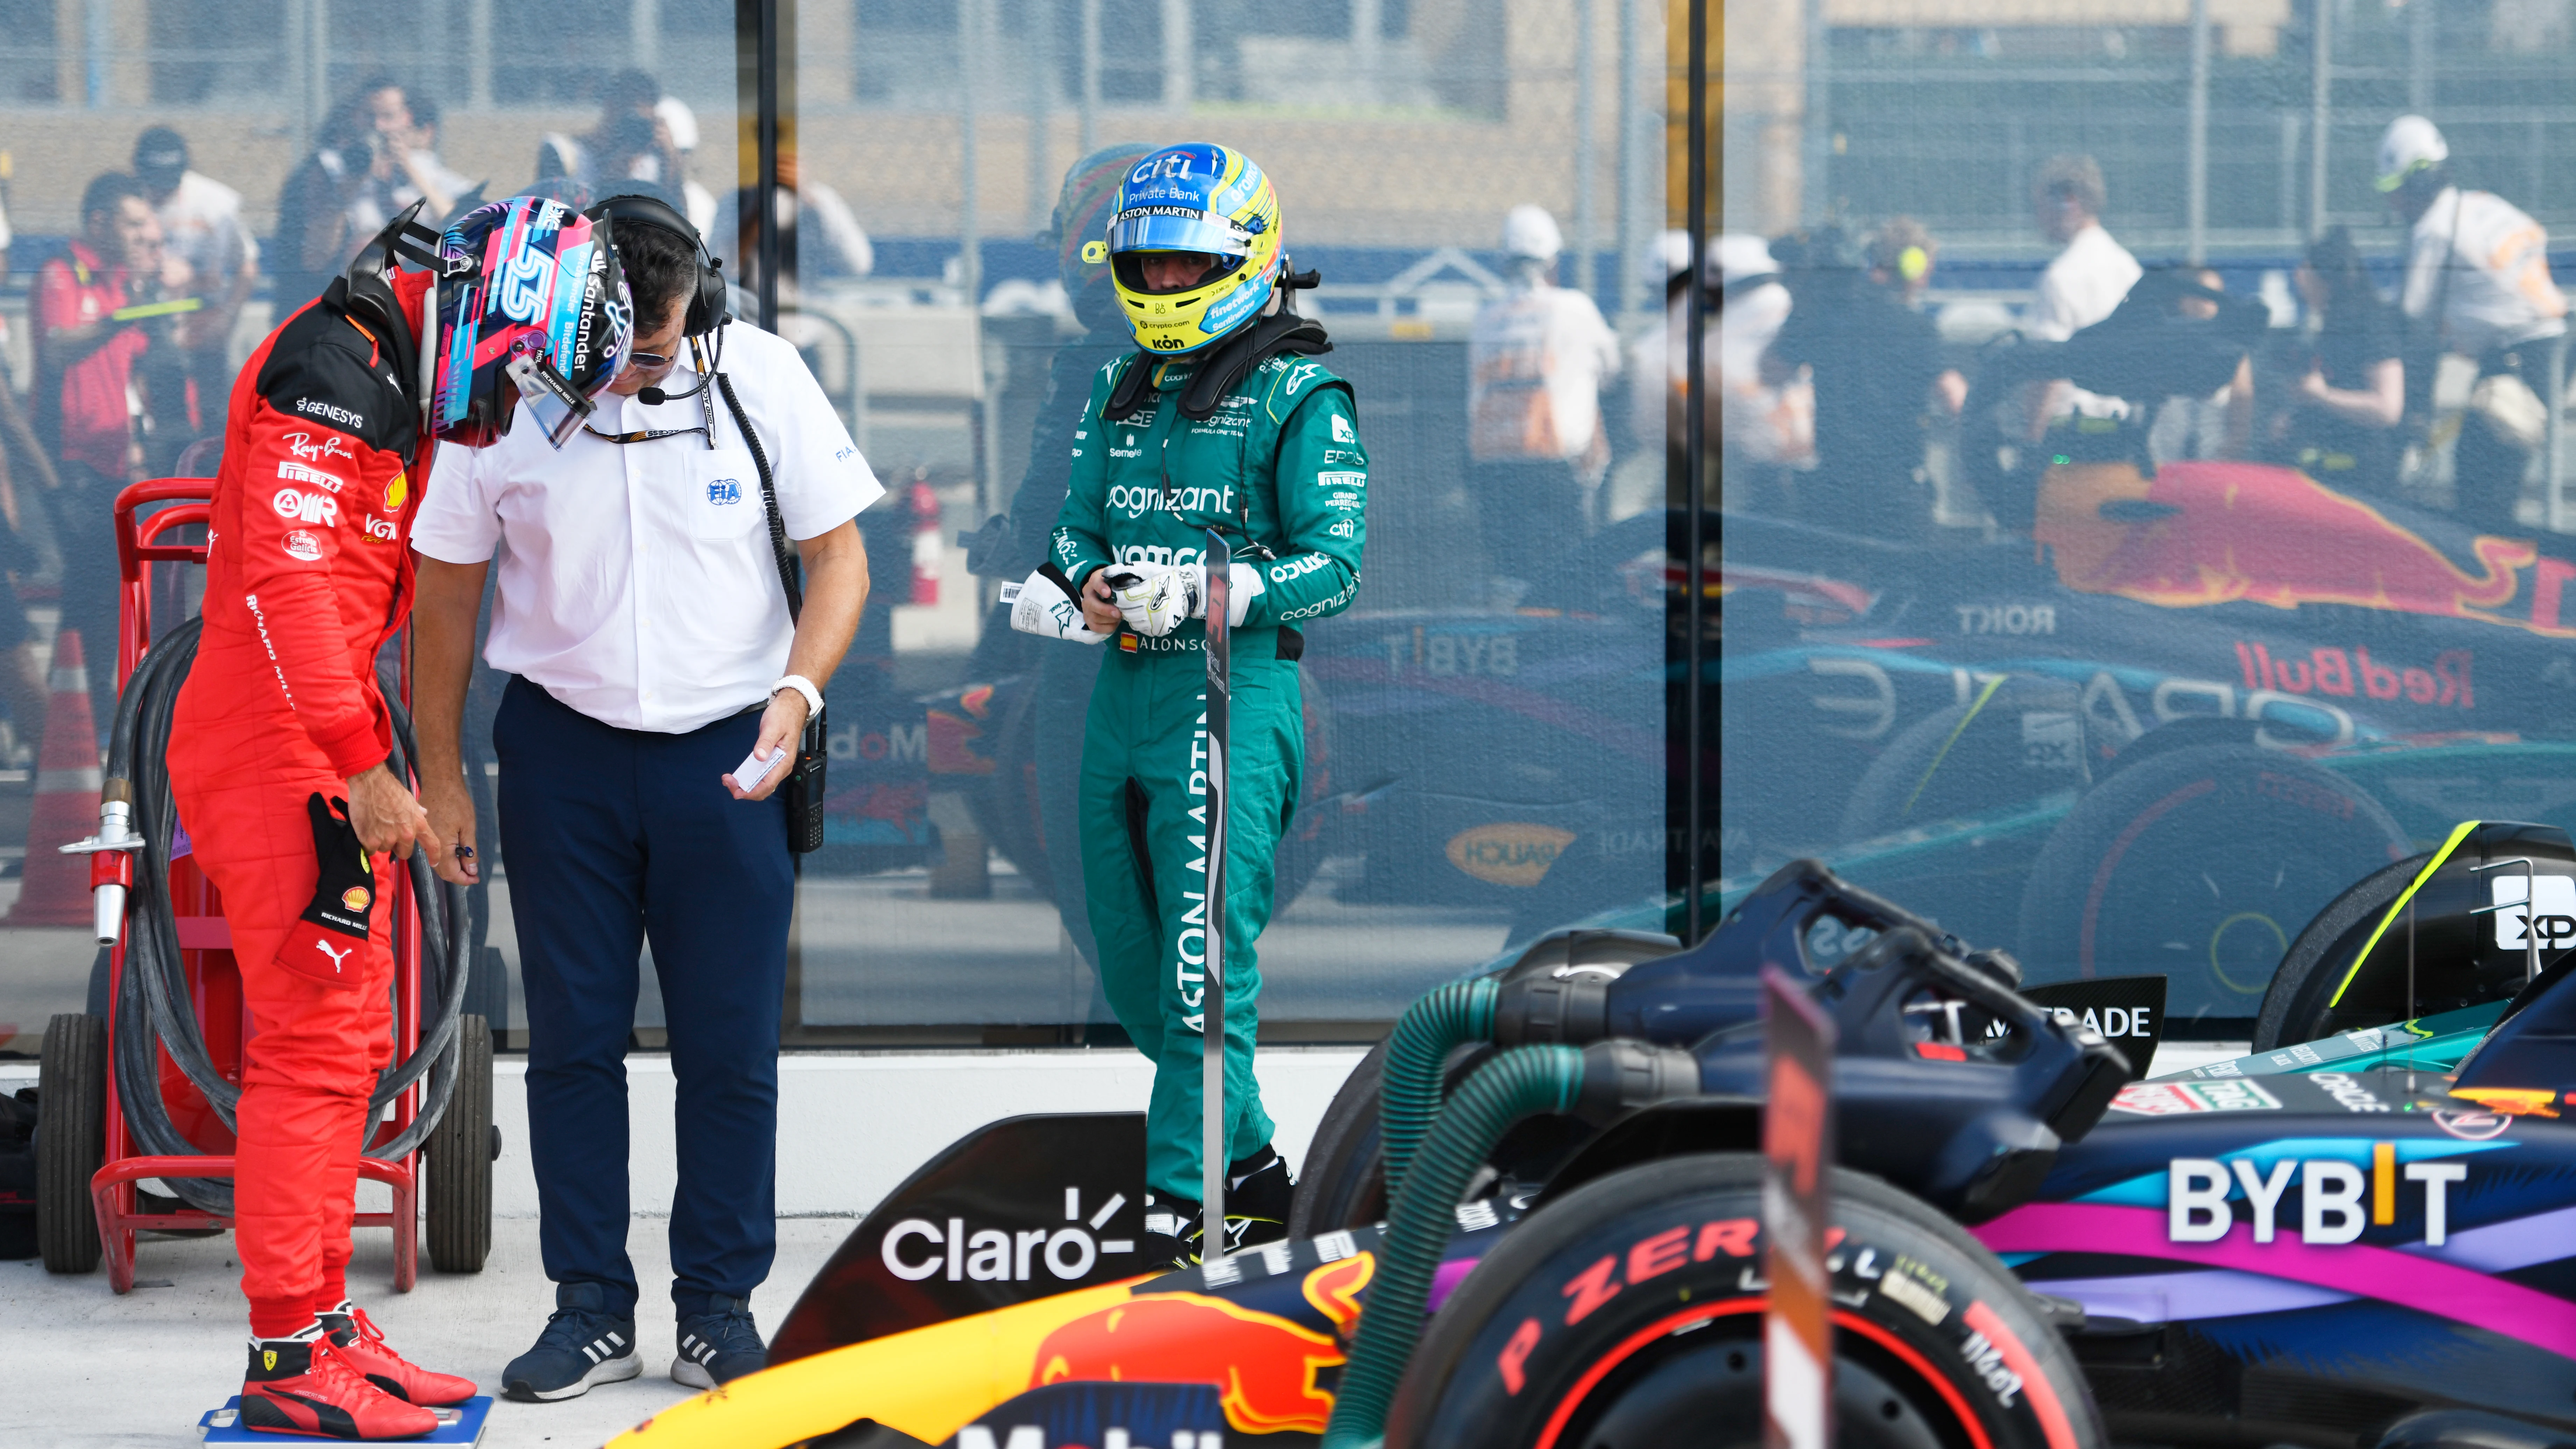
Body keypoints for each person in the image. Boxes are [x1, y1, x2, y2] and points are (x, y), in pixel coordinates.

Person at [166, 193, 634, 1437]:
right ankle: (284, 1351)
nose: (515, 399)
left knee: (350, 1041)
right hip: (285, 745)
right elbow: (289, 581)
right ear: (496, 312)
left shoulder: (383, 368)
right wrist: (365, 758)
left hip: (314, 736)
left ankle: (320, 1322)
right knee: (314, 1045)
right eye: (527, 369)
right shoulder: (335, 364)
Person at [410, 191, 880, 1398]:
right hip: (561, 757)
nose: (643, 375)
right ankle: (589, 1311)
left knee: (728, 1050)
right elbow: (448, 595)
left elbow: (839, 559)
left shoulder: (761, 378)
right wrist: (445, 774)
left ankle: (719, 1309)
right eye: (623, 353)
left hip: (728, 754)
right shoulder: (498, 403)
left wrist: (798, 695)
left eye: (665, 348)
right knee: (573, 1045)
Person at [1048, 142, 1364, 1266]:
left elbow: (1339, 563)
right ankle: (1264, 1171)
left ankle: (1183, 1224)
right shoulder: (1114, 384)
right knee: (1138, 974)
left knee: (1202, 977)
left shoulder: (1301, 389)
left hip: (1233, 694)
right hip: (1121, 684)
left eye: (1190, 266)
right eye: (1151, 265)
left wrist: (1218, 590)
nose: (1169, 285)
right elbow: (1075, 526)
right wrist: (1082, 579)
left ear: (1243, 260)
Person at [962, 142, 1155, 975]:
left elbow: (1047, 508)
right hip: (1211, 651)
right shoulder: (1261, 358)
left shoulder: (1094, 359)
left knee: (1094, 871)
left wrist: (1010, 553)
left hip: (1101, 645)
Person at [2378, 113, 2569, 529]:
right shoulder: (2484, 205)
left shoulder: (2434, 231)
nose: (2392, 203)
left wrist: (2414, 413)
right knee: (2496, 474)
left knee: (2480, 488)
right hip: (2550, 351)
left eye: (2395, 189)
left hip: (2518, 361)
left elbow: (2412, 319)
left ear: (2418, 180)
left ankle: (2492, 582)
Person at [31, 171, 164, 731]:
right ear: (99, 223)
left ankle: (95, 726)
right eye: (132, 224)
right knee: (89, 603)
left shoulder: (120, 285)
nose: (141, 235)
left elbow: (131, 372)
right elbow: (60, 348)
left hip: (116, 465)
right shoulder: (63, 275)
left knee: (112, 598)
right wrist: (121, 318)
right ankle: (78, 729)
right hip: (72, 466)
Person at [1762, 219, 1961, 540]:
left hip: (1832, 490)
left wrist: (1802, 304)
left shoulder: (1825, 318)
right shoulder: (1917, 327)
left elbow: (1770, 371)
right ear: (1914, 265)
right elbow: (1956, 400)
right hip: (1896, 491)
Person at [1465, 203, 1621, 601]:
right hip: (1555, 467)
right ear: (1554, 262)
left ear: (1504, 262)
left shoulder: (1485, 319)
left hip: (1492, 465)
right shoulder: (1575, 309)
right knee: (1566, 568)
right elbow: (1611, 371)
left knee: (1509, 570)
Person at [133, 126, 260, 435]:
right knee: (163, 412)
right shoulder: (130, 204)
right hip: (151, 321)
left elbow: (247, 266)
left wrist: (228, 317)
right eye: (155, 184)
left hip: (207, 317)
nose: (162, 192)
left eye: (170, 183)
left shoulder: (216, 204)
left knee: (216, 411)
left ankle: (212, 473)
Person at [2271, 226, 2405, 492]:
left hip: (2363, 477)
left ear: (2325, 279)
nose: (2299, 279)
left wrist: (2322, 396)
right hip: (2325, 470)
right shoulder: (2331, 324)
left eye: (2306, 271)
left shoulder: (2371, 324)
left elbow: (2387, 409)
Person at [2022, 154, 2141, 438]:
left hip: (2069, 444)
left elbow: (2047, 371)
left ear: (2069, 202)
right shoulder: (2130, 270)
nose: (2038, 219)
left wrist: (2032, 445)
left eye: (2040, 207)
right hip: (2123, 439)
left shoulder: (2061, 276)